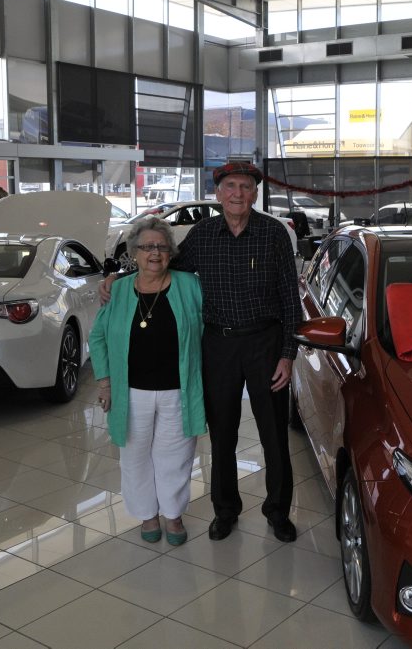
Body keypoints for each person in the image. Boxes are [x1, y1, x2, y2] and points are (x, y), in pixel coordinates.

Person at [101, 161, 302, 543]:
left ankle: (278, 510)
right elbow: (159, 261)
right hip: (219, 345)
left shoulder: (274, 234)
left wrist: (287, 354)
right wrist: (119, 274)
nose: (237, 193)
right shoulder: (203, 234)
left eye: (245, 186)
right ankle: (225, 510)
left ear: (255, 193)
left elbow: (290, 298)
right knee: (222, 433)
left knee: (274, 434)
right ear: (218, 193)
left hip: (266, 343)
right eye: (230, 186)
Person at [89, 216, 206, 546]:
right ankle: (147, 514)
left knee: (176, 456)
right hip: (131, 392)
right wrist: (105, 383)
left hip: (178, 391)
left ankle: (172, 514)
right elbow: (97, 337)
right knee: (135, 456)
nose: (154, 253)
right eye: (147, 247)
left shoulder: (190, 285)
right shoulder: (119, 289)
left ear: (171, 252)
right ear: (134, 253)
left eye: (161, 246)